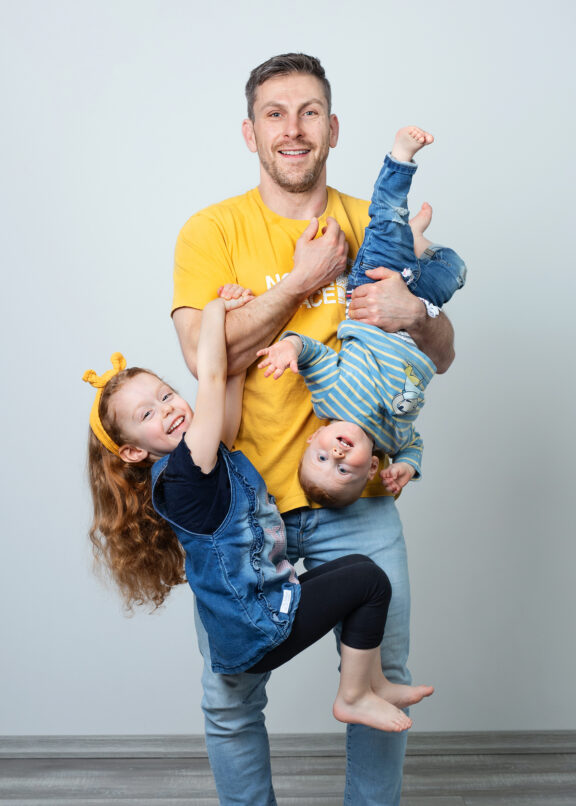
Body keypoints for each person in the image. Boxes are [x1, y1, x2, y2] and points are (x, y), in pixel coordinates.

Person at [172, 53, 456, 806]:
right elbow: (211, 357)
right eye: (274, 113)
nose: (291, 130)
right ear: (250, 131)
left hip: (354, 502)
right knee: (232, 695)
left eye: (307, 113)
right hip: (241, 509)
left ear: (332, 129)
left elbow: (442, 355)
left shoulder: (373, 220)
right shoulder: (211, 231)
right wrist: (299, 284)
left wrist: (419, 316)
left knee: (378, 687)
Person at [83, 290, 434, 736]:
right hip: (257, 626)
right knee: (369, 582)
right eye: (147, 413)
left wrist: (231, 360)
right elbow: (210, 378)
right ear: (133, 451)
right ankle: (353, 697)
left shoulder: (200, 458)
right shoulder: (186, 472)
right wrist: (215, 309)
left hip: (262, 610)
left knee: (361, 571)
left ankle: (373, 682)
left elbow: (224, 393)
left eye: (167, 393)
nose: (169, 408)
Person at [256, 126, 467, 505]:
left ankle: (400, 158)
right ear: (371, 467)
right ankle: (416, 242)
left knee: (386, 222)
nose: (335, 456)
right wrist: (407, 468)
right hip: (414, 310)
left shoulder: (331, 399)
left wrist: (288, 348)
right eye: (342, 469)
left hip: (368, 297)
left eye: (321, 457)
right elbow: (412, 445)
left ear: (312, 439)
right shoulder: (391, 439)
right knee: (455, 269)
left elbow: (313, 353)